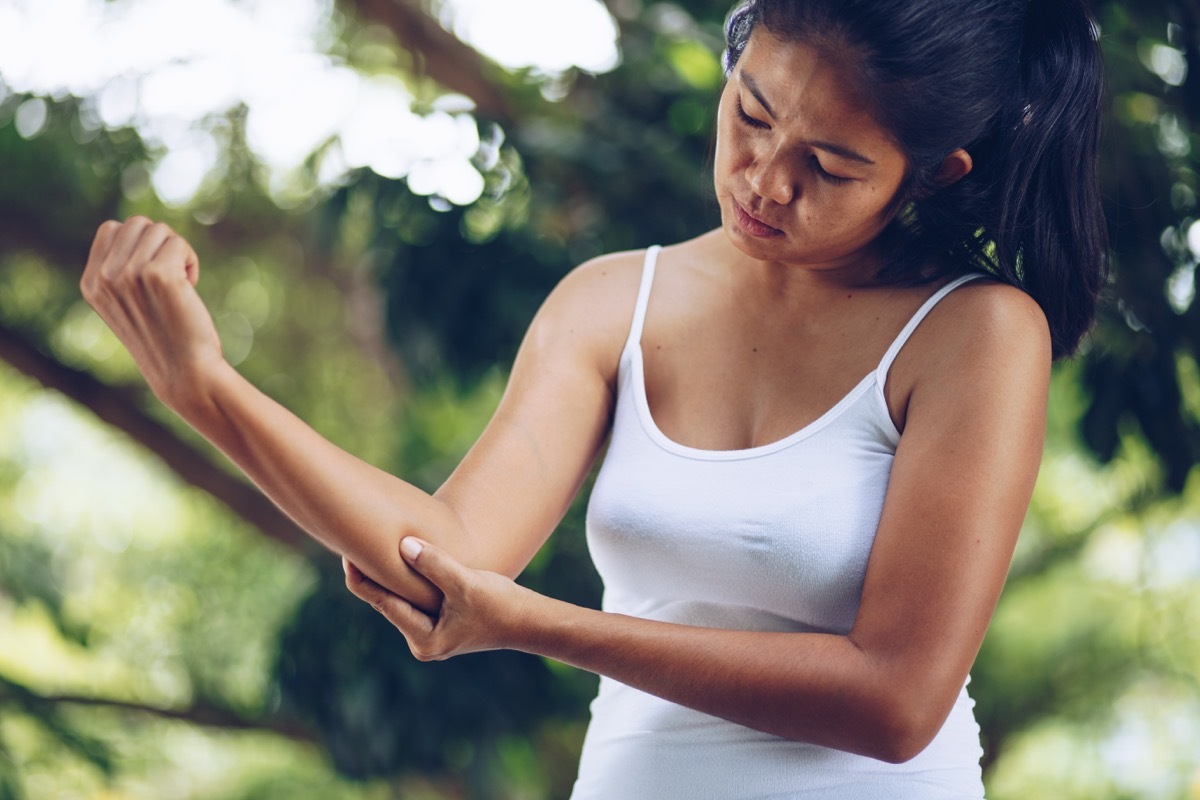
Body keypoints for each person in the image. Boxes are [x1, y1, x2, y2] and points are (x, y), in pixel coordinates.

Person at [80, 0, 1107, 796]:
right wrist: (205, 388)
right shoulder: (615, 299)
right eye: (749, 113)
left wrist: (543, 624)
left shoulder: (976, 332)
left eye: (829, 166)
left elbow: (896, 697)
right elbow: (442, 551)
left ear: (930, 175)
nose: (763, 179)